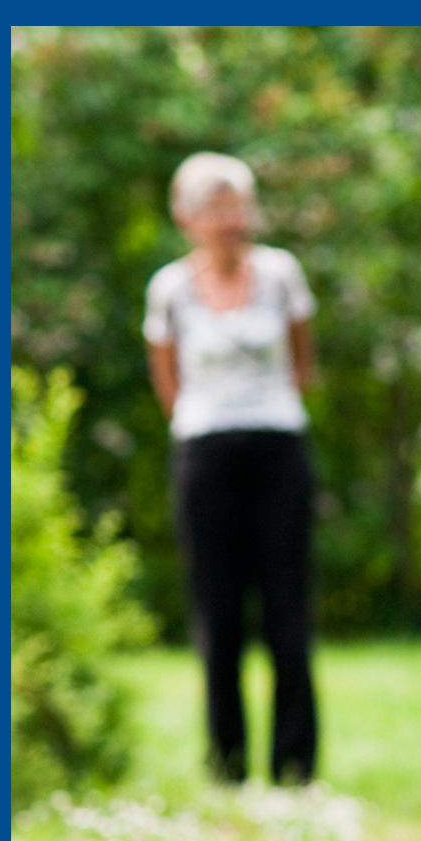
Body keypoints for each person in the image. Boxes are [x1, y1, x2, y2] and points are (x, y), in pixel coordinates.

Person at [144, 152, 322, 784]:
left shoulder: (280, 275)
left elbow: (304, 365)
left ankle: (295, 765)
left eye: (237, 206)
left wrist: (269, 411)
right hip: (205, 452)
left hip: (278, 447)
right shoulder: (169, 289)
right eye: (216, 208)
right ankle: (227, 762)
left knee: (287, 612)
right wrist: (208, 422)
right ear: (186, 217)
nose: (229, 220)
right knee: (217, 613)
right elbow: (167, 379)